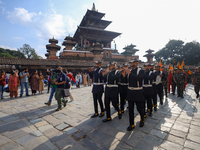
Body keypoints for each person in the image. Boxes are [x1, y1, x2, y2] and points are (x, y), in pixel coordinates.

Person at [125, 58, 145, 131]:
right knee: (130, 109)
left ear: (137, 63)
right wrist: (124, 75)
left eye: (133, 63)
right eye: (131, 63)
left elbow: (139, 78)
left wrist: (129, 73)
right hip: (130, 92)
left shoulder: (141, 71)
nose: (132, 64)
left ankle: (142, 119)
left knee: (139, 108)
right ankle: (131, 124)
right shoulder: (129, 71)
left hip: (138, 91)